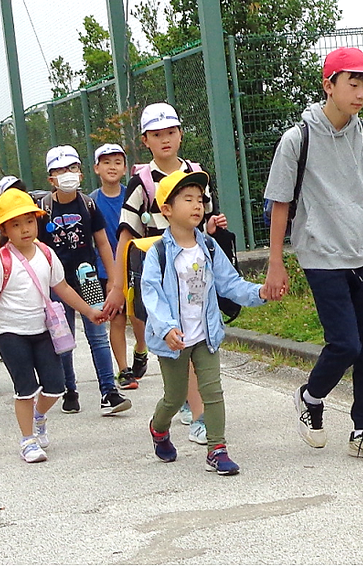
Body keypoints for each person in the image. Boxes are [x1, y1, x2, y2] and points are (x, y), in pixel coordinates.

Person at [263, 47, 363, 463]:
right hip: (320, 255)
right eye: (352, 84)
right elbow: (280, 203)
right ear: (329, 85)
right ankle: (311, 396)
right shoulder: (297, 139)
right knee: (345, 344)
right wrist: (276, 262)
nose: (360, 93)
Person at [105, 102, 228, 445]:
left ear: (180, 134)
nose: (165, 140)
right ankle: (195, 412)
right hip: (160, 278)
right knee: (180, 341)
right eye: (157, 134)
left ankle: (196, 410)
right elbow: (126, 235)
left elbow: (206, 223)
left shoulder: (196, 175)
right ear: (145, 140)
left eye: (170, 132)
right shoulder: (141, 182)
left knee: (196, 342)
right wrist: (117, 285)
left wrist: (214, 227)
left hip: (195, 275)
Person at [0, 189, 106, 463]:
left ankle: (39, 417)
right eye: (16, 224)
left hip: (43, 331)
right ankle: (27, 440)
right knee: (25, 389)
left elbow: (62, 288)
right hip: (10, 334)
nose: (25, 229)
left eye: (29, 221)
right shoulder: (0, 262)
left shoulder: (46, 254)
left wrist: (89, 311)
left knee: (55, 386)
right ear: (4, 229)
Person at [144, 171, 271, 474]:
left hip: (205, 335)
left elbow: (230, 284)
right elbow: (152, 294)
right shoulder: (159, 253)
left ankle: (217, 449)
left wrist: (260, 293)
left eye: (200, 199)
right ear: (167, 209)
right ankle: (158, 428)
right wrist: (166, 328)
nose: (197, 205)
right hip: (174, 339)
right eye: (187, 199)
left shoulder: (209, 247)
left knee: (213, 392)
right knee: (175, 397)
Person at [38, 145, 130, 415]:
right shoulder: (43, 210)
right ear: (50, 178)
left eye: (72, 168)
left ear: (80, 173)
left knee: (98, 335)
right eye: (59, 170)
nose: (67, 174)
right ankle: (69, 389)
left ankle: (108, 391)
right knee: (63, 338)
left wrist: (113, 280)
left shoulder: (88, 205)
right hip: (57, 283)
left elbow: (102, 243)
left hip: (87, 278)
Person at [90, 143, 143, 390]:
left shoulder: (133, 195)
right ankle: (124, 370)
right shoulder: (91, 202)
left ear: (124, 168)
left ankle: (141, 348)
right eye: (106, 162)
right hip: (105, 269)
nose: (112, 167)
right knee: (117, 318)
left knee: (139, 316)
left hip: (135, 264)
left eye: (117, 162)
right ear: (96, 168)